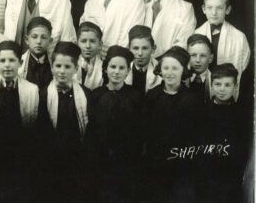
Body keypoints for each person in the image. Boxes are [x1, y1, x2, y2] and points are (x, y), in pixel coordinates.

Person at [0, 40, 39, 202]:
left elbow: (33, 123)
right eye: (2, 61)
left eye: (12, 60)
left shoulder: (32, 90)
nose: (7, 65)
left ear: (20, 63)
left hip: (21, 151)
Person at [86, 46, 144, 202]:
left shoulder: (136, 96)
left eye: (121, 68)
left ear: (127, 71)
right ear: (105, 69)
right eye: (112, 67)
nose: (116, 72)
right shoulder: (96, 95)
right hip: (101, 158)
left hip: (127, 159)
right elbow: (91, 128)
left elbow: (139, 130)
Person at [143, 46, 201, 202]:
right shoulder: (152, 95)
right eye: (166, 67)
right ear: (160, 70)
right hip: (156, 160)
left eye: (175, 68)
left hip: (182, 162)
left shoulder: (191, 99)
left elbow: (196, 133)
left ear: (183, 71)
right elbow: (145, 129)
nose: (169, 72)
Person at [38, 42, 90, 203]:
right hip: (50, 160)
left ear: (75, 69)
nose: (62, 71)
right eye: (58, 65)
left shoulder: (86, 95)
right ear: (52, 67)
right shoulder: (43, 94)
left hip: (77, 159)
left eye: (67, 67)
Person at [198, 63, 245, 202]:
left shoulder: (241, 114)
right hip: (205, 175)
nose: (222, 89)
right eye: (218, 84)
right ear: (211, 85)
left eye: (227, 85)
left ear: (235, 86)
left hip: (230, 176)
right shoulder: (202, 112)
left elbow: (241, 149)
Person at [195, 0, 250, 100]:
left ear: (227, 10)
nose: (214, 12)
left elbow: (242, 65)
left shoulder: (238, 37)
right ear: (203, 9)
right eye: (209, 8)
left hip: (226, 91)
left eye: (219, 8)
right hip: (200, 90)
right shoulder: (196, 34)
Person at [124, 25, 161, 94]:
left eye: (145, 48)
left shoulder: (160, 72)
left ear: (153, 49)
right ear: (129, 49)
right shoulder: (122, 69)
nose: (140, 53)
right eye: (135, 48)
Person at [18, 16, 53, 89]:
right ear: (27, 39)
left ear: (50, 41)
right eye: (34, 37)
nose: (39, 41)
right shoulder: (19, 65)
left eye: (43, 37)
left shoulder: (54, 63)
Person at [75, 21, 104, 91]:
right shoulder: (71, 63)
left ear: (100, 44)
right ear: (77, 43)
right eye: (83, 41)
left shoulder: (103, 67)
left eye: (92, 41)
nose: (88, 46)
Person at [186, 34, 214, 103]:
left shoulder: (216, 81)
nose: (198, 60)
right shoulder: (181, 80)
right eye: (193, 55)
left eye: (203, 55)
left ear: (210, 58)